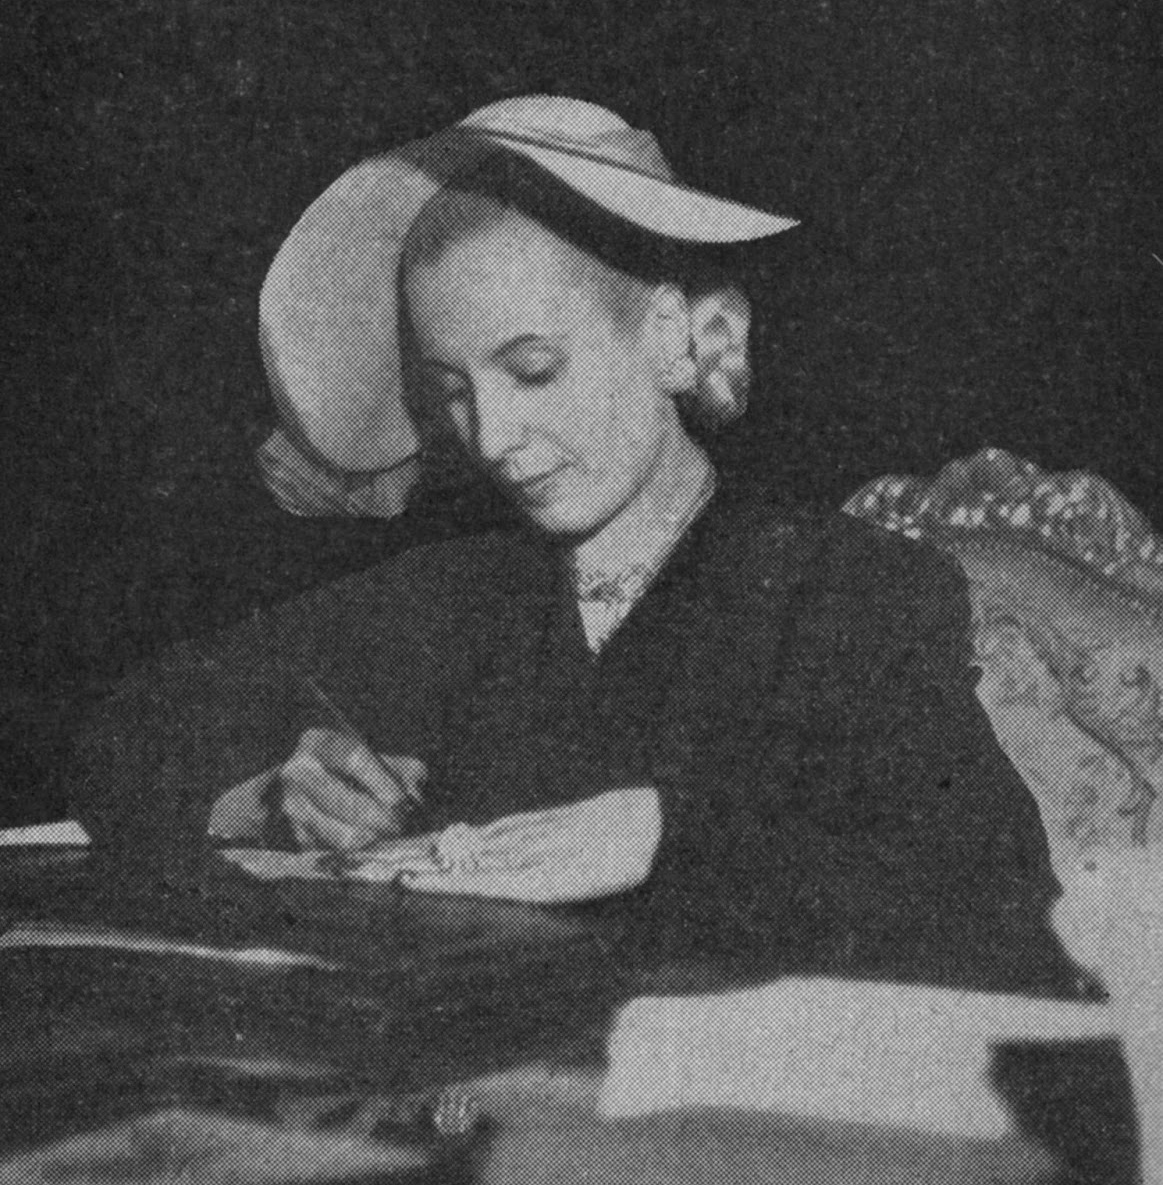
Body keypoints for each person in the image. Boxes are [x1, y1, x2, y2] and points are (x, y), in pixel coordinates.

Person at [69, 96, 1093, 996]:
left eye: (532, 370)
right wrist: (262, 796)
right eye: (454, 391)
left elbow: (996, 907)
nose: (492, 437)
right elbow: (122, 737)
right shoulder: (453, 596)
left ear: (669, 337)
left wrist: (662, 835)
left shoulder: (843, 592)